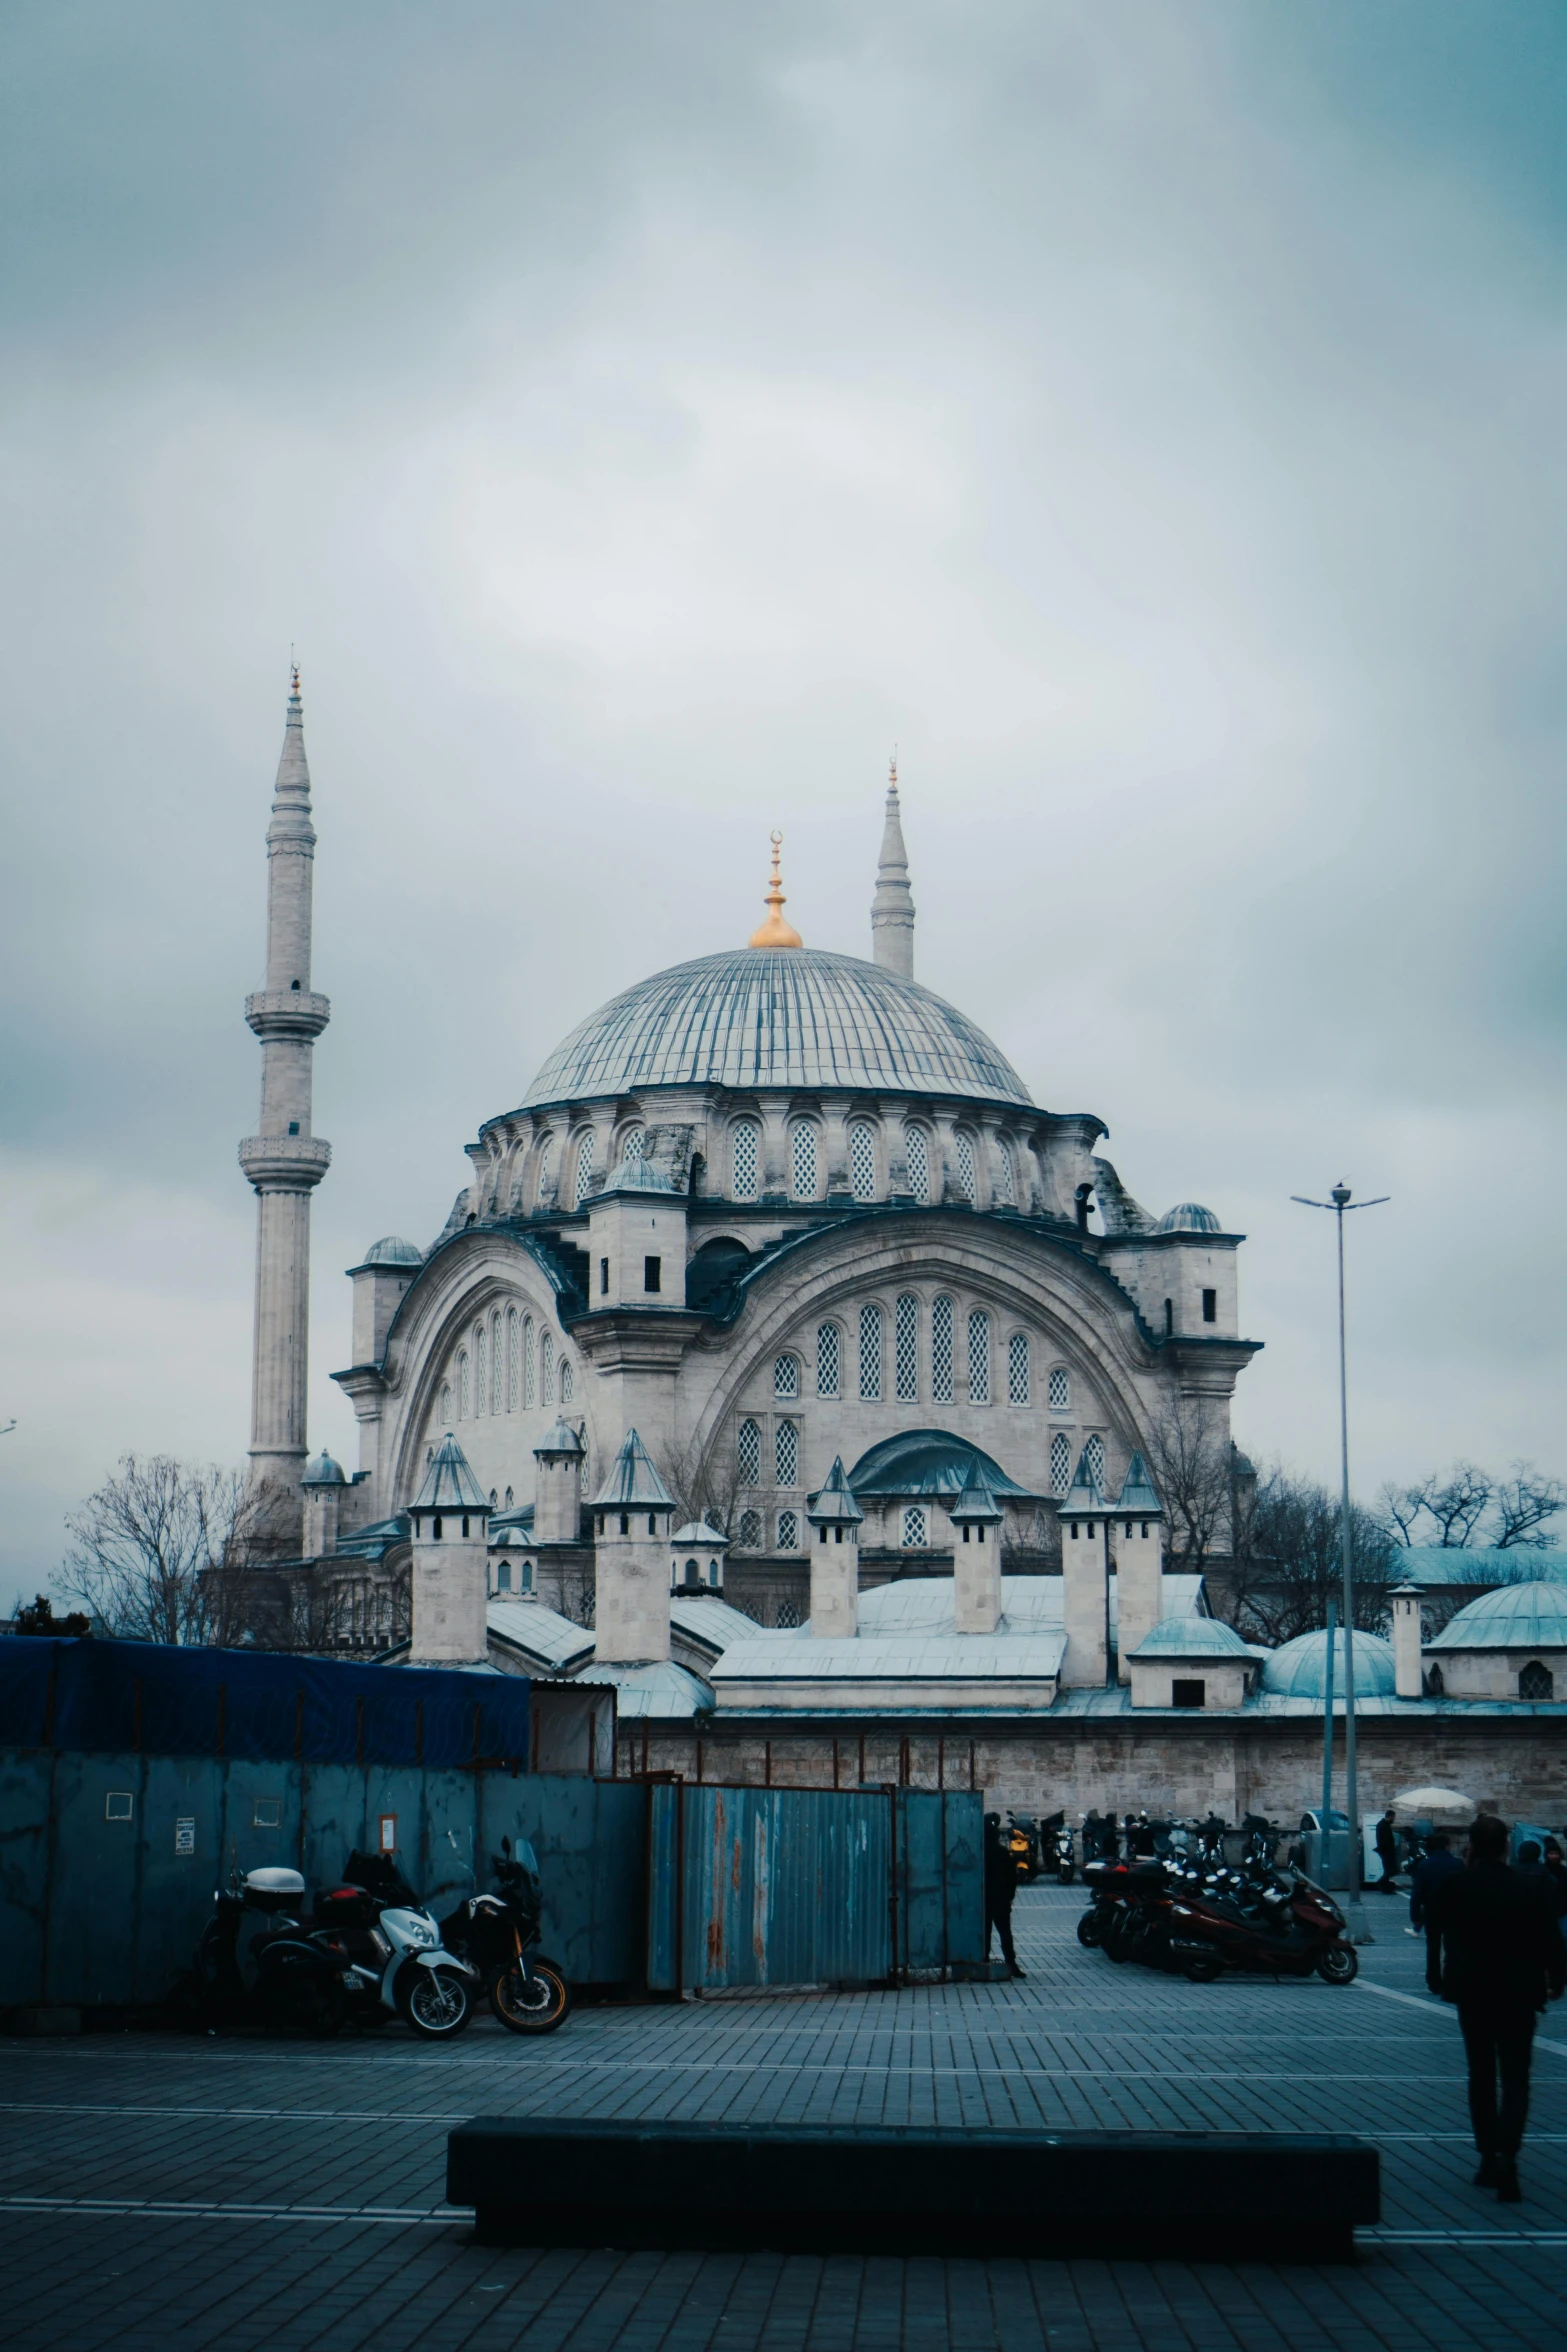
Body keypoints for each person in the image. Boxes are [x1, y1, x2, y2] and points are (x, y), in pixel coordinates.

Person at [1426, 1812, 1566, 2202]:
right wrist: (1557, 1979)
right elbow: (1550, 1939)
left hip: (1472, 1991)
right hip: (1520, 1991)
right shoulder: (1528, 1888)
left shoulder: (1457, 1885)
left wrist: (1436, 1975)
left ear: (1471, 1846)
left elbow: (1435, 1930)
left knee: (1482, 2073)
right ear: (1505, 1846)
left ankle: (1488, 2153)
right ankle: (1509, 2153)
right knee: (1517, 2077)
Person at [983, 1811, 1024, 1979]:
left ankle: (983, 1961)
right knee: (1004, 1932)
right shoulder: (1002, 1853)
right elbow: (1011, 1878)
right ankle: (1011, 1964)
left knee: (985, 1931)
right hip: (1000, 1899)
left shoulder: (977, 1851)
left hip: (983, 1898)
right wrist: (1009, 1897)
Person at [1408, 1828, 1463, 1938]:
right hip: (1453, 1911)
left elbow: (1416, 1894)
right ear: (1448, 1846)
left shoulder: (1424, 1865)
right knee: (1451, 1945)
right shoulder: (1458, 1864)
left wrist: (1415, 1917)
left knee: (1433, 1945)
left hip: (1431, 1911)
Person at [1373, 1807, 1400, 1893]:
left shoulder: (1383, 1824)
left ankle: (1385, 1886)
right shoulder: (1383, 1825)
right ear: (1390, 1816)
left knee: (1388, 1870)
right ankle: (1382, 1883)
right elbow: (1385, 1840)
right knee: (1389, 1870)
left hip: (1385, 1851)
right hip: (1386, 1852)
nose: (1394, 1819)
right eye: (1393, 1817)